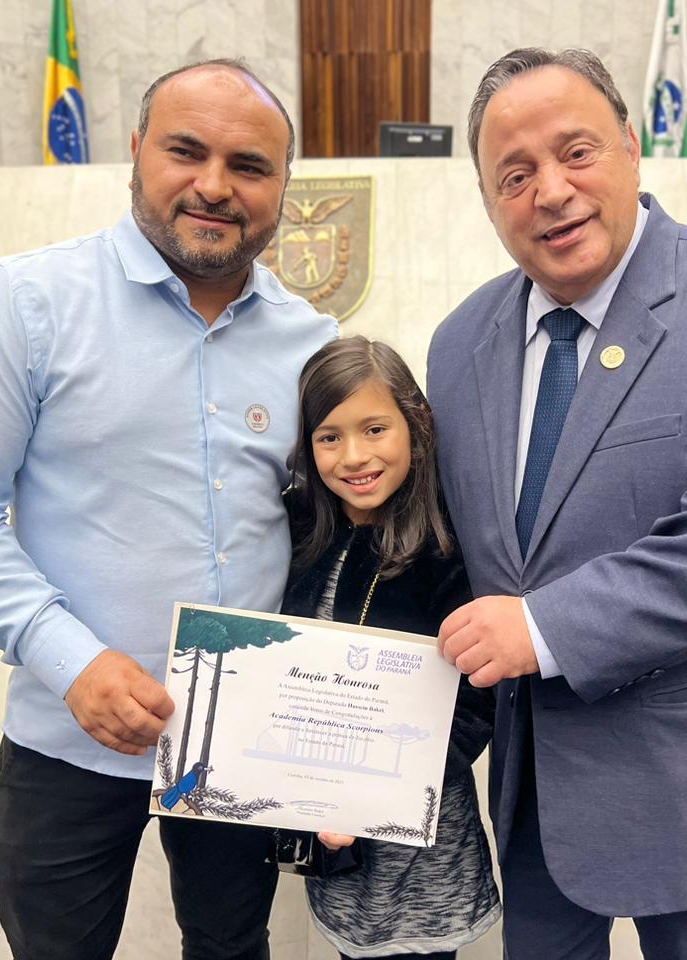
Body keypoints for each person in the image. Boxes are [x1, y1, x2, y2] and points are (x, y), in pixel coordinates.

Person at [0, 59, 336, 960]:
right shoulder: (24, 303)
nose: (214, 186)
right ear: (136, 151)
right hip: (67, 737)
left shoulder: (313, 344)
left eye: (249, 166)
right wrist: (72, 661)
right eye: (186, 151)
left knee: (233, 948)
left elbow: (328, 536)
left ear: (284, 186)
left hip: (239, 746)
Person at [427, 48, 687, 960]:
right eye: (514, 175)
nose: (551, 191)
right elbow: (455, 560)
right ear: (489, 201)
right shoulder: (458, 346)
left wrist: (542, 628)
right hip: (536, 799)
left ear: (629, 144)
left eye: (576, 152)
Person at [279, 336, 500, 960]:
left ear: (416, 424)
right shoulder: (302, 532)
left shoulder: (449, 547)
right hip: (332, 842)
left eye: (375, 429)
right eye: (330, 436)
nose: (354, 456)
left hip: (422, 853)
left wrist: (368, 796)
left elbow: (475, 704)